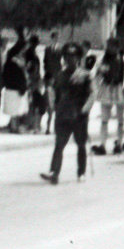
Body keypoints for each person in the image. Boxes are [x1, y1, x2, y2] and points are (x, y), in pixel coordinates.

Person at [40, 43, 95, 185]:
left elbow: (92, 94)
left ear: (78, 58)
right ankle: (54, 173)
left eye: (73, 56)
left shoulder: (85, 74)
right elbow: (54, 93)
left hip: (79, 115)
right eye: (67, 56)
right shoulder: (60, 75)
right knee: (59, 144)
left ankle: (81, 172)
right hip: (63, 114)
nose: (70, 59)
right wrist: (53, 107)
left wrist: (85, 110)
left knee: (80, 144)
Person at [91, 38, 124, 155]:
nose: (109, 48)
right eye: (108, 46)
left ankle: (119, 143)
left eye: (111, 46)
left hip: (120, 88)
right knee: (104, 119)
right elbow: (96, 73)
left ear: (117, 47)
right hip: (107, 88)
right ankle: (102, 144)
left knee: (120, 119)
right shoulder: (102, 59)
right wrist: (96, 85)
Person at [2, 42, 29, 133]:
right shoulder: (16, 64)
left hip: (11, 88)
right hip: (16, 89)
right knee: (15, 110)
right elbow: (20, 76)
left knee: (15, 110)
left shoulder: (9, 63)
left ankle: (14, 127)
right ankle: (14, 128)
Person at [42, 32, 62, 134]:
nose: (56, 39)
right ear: (52, 38)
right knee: (49, 103)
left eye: (58, 37)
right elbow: (45, 62)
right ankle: (48, 127)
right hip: (49, 78)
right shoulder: (47, 49)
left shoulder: (60, 50)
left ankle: (56, 127)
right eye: (55, 38)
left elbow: (62, 63)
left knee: (57, 104)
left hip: (57, 79)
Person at [25, 35, 45, 133]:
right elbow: (28, 68)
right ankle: (30, 123)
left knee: (34, 102)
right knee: (31, 102)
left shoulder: (33, 54)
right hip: (31, 80)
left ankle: (32, 123)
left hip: (35, 80)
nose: (36, 45)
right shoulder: (29, 53)